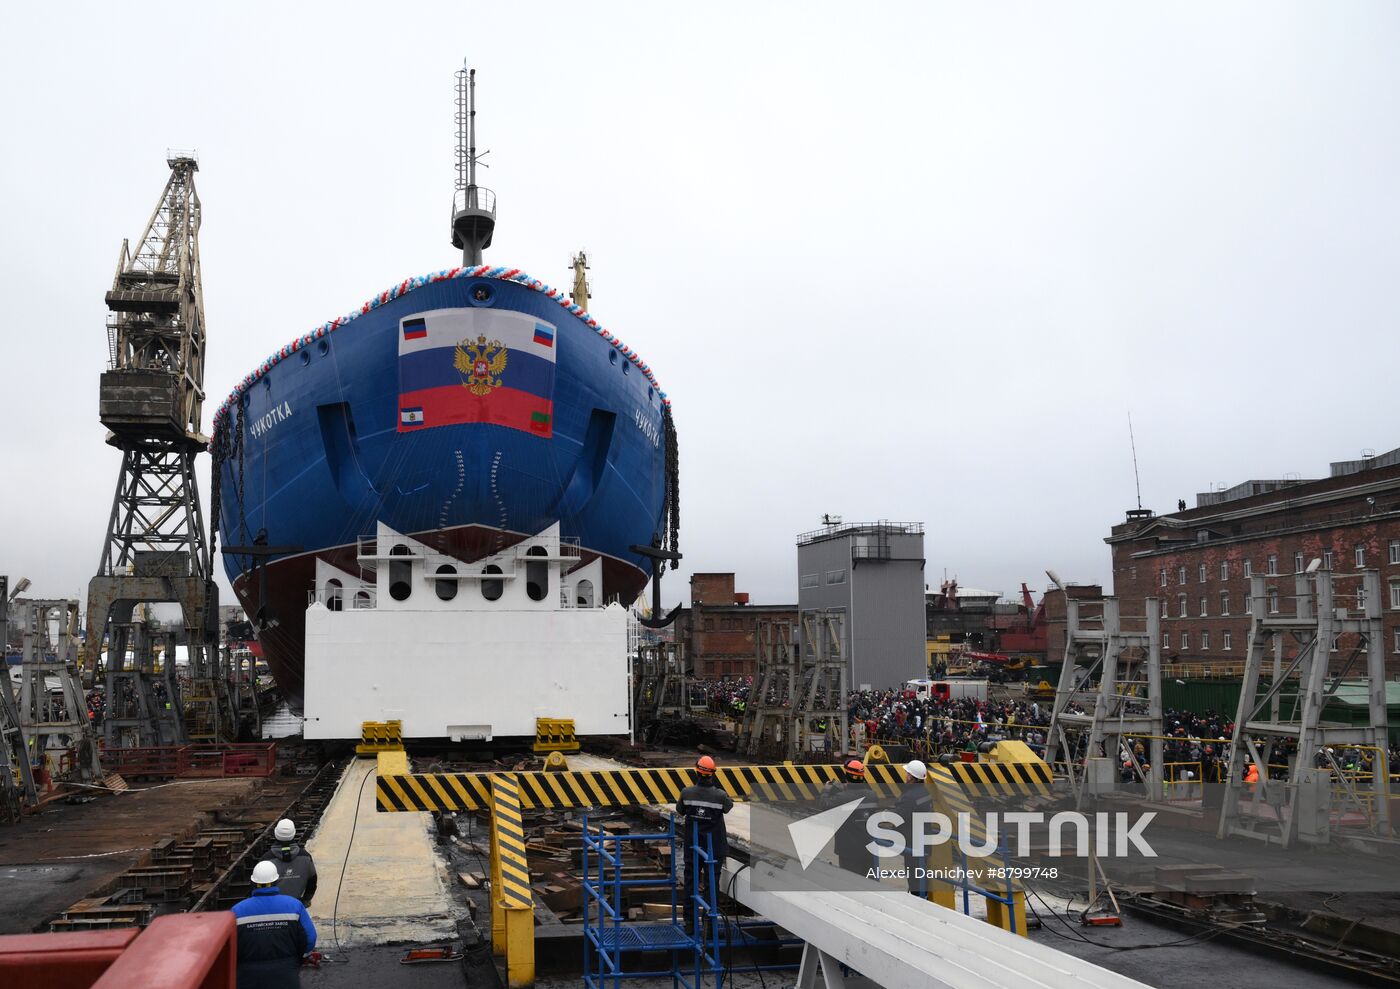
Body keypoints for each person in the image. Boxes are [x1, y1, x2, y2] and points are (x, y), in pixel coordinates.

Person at [232, 859, 317, 989]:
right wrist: (300, 958)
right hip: (286, 974)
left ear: (253, 882)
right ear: (276, 881)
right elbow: (310, 938)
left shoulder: (237, 911)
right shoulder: (294, 906)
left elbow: (228, 947)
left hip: (248, 977)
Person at [676, 755, 733, 930]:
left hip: (693, 846)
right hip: (714, 847)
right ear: (712, 774)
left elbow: (680, 810)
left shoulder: (687, 793)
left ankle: (690, 923)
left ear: (697, 772)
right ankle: (709, 921)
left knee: (691, 881)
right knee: (711, 883)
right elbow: (728, 807)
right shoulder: (720, 795)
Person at [819, 758, 872, 875]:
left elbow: (825, 805)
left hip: (848, 850)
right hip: (867, 848)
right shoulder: (872, 796)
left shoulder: (842, 798)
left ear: (847, 776)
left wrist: (826, 790)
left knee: (850, 882)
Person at [256, 819, 318, 906]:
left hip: (272, 907)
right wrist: (305, 900)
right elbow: (312, 882)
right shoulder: (306, 857)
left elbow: (256, 887)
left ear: (276, 833)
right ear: (294, 834)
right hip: (296, 906)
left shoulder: (266, 859)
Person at [896, 760, 933, 896]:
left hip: (912, 844)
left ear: (911, 777)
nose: (906, 776)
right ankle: (923, 899)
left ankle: (919, 904)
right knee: (921, 878)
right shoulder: (925, 792)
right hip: (924, 842)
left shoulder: (909, 797)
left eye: (907, 773)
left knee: (914, 881)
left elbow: (898, 817)